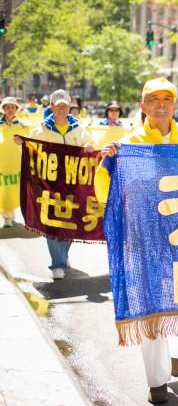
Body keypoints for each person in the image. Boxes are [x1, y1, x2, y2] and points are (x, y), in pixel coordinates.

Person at [94, 77, 178, 404]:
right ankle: (156, 381)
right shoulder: (128, 145)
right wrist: (108, 163)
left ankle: (176, 352)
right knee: (151, 307)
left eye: (166, 98)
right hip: (144, 240)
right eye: (153, 99)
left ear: (175, 105)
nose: (160, 104)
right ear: (142, 106)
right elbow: (106, 192)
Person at [14, 90, 94, 280]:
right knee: (51, 222)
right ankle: (57, 263)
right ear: (51, 107)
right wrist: (22, 144)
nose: (61, 109)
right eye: (57, 106)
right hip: (49, 184)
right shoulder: (42, 129)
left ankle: (63, 254)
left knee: (71, 222)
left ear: (69, 108)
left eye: (64, 106)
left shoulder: (78, 128)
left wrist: (89, 148)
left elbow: (90, 145)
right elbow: (31, 151)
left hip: (72, 184)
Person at [1, 97, 27, 227]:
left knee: (14, 187)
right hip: (2, 161)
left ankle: (11, 211)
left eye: (13, 107)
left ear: (16, 109)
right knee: (3, 187)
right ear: (4, 109)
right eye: (7, 107)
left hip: (16, 161)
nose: (10, 110)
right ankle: (6, 216)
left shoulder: (21, 125)